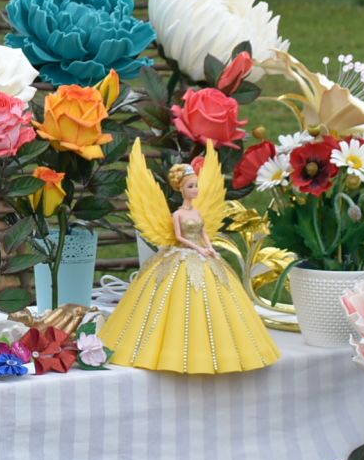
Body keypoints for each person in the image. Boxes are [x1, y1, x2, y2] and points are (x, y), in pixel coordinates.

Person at [101, 141, 279, 373]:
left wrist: (209, 248)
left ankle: (225, 351)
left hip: (204, 253)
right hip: (183, 253)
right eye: (192, 186)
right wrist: (197, 249)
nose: (196, 190)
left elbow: (204, 232)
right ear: (182, 189)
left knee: (221, 296)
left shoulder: (197, 211)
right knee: (172, 296)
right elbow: (179, 236)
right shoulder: (178, 214)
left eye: (196, 185)